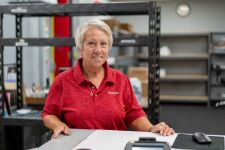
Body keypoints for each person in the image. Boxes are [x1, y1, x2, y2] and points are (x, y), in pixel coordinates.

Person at [42, 19, 174, 139]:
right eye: (91, 43)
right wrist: (57, 124)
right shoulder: (63, 81)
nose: (98, 50)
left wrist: (151, 128)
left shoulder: (121, 80)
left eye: (103, 44)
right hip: (77, 145)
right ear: (80, 48)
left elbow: (133, 114)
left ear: (108, 48)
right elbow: (48, 114)